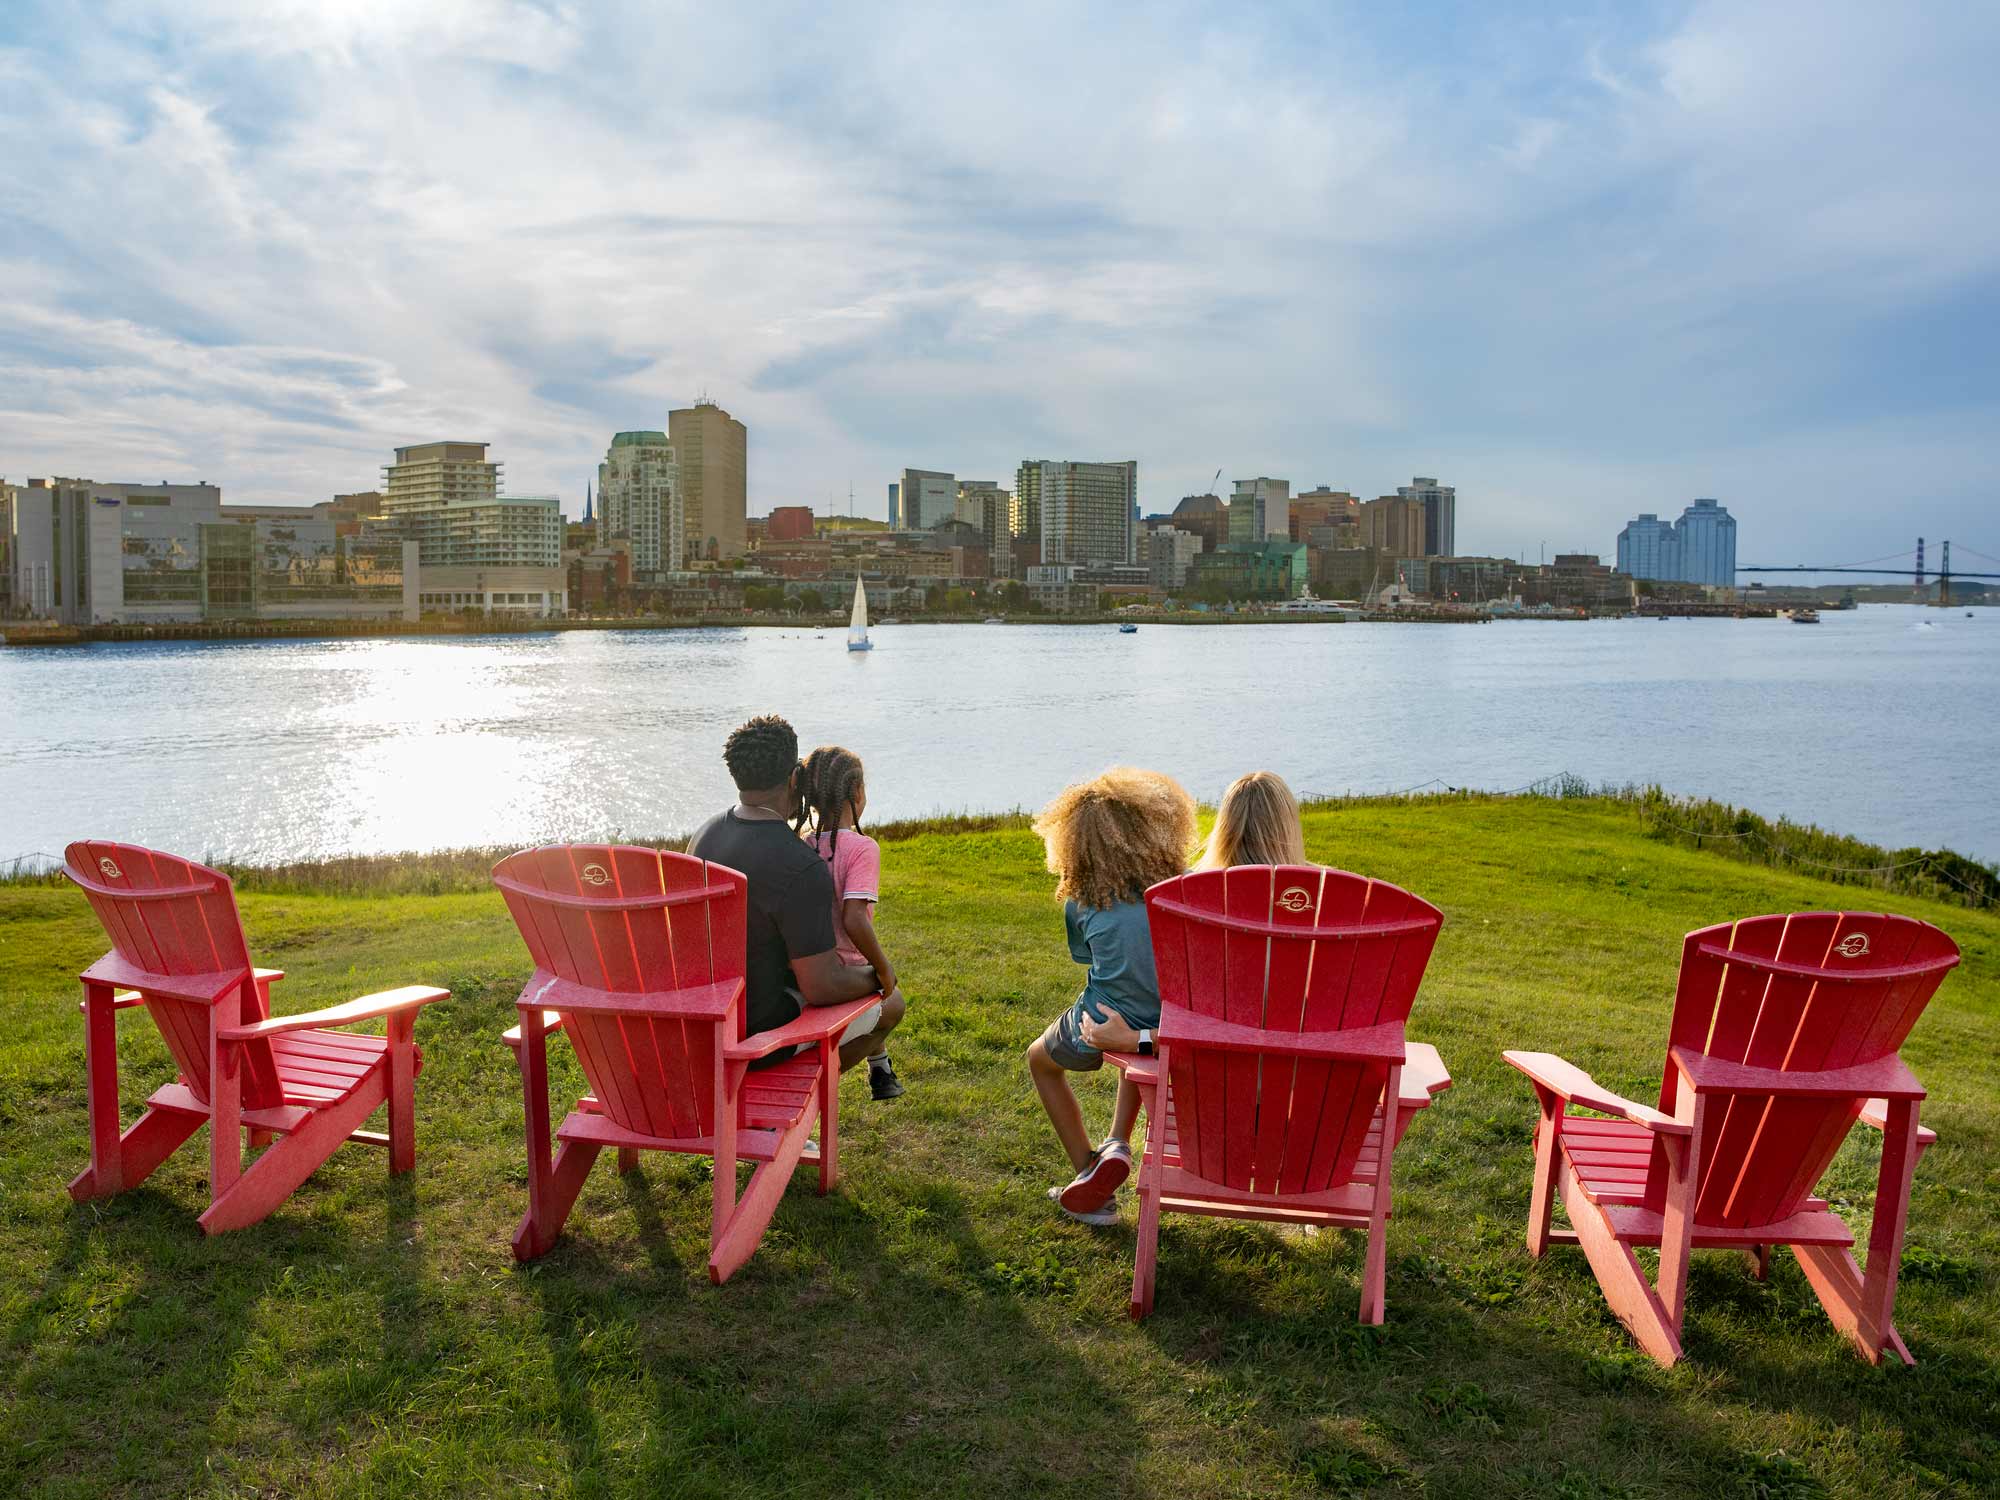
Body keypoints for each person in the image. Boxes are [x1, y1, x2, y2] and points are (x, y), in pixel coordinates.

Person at [1025, 767, 1196, 1226]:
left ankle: (1088, 1173)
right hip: (1166, 1021)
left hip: (1101, 1019)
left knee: (1040, 1060)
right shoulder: (1185, 888)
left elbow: (1087, 960)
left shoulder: (1080, 901)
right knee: (1137, 1035)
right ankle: (1117, 1140)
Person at [686, 715, 903, 1075]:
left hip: (700, 1019)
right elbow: (822, 987)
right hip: (755, 1036)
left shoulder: (704, 835)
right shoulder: (799, 866)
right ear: (793, 779)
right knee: (893, 1005)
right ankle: (803, 1097)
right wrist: (879, 975)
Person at [1082, 770, 1308, 1071]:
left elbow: (1213, 1032)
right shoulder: (1325, 901)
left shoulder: (1192, 905)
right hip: (1308, 1090)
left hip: (1218, 1091)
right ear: (1289, 827)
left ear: (1224, 828)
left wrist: (1136, 1040)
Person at [794, 743, 906, 1100]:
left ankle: (881, 1067)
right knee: (893, 998)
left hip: (808, 968)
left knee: (881, 992)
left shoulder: (803, 844)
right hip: (846, 974)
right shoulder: (861, 848)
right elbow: (854, 917)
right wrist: (883, 966)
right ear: (857, 792)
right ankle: (809, 1087)